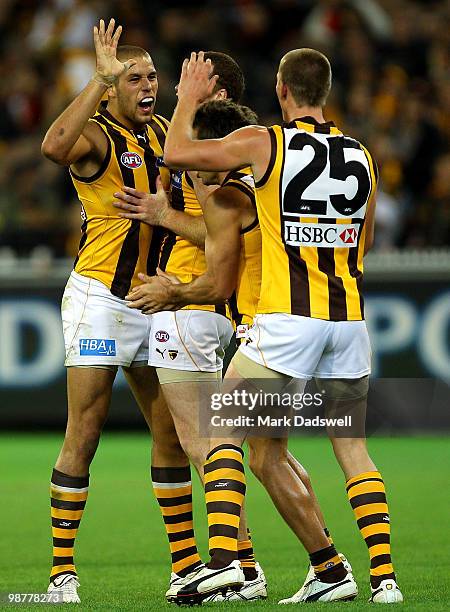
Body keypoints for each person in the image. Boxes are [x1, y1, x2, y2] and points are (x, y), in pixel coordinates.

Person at [160, 49, 403, 604]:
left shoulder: (269, 142)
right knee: (330, 450)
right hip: (347, 321)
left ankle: (223, 563)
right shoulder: (363, 155)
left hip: (288, 320)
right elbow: (362, 243)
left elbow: (177, 153)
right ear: (328, 90)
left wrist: (188, 97)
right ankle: (365, 577)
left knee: (221, 427)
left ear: (281, 89)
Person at [126, 99, 353, 605]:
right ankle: (330, 568)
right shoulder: (262, 189)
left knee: (210, 441)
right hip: (292, 327)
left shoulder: (227, 195)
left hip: (260, 333)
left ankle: (234, 567)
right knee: (269, 457)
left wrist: (174, 292)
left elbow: (219, 278)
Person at [112, 53, 269, 602]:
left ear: (214, 89)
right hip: (219, 308)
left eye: (189, 81)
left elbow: (223, 235)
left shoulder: (213, 148)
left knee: (203, 441)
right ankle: (304, 562)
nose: (177, 88)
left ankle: (237, 567)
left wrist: (161, 215)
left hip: (191, 301)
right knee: (258, 450)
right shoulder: (234, 144)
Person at [40, 19, 188, 603]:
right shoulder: (98, 136)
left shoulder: (161, 138)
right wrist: (96, 82)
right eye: (135, 78)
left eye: (153, 75)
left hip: (153, 298)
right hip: (101, 299)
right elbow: (53, 147)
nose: (149, 85)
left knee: (171, 433)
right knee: (87, 427)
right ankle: (61, 573)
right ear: (112, 87)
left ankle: (184, 567)